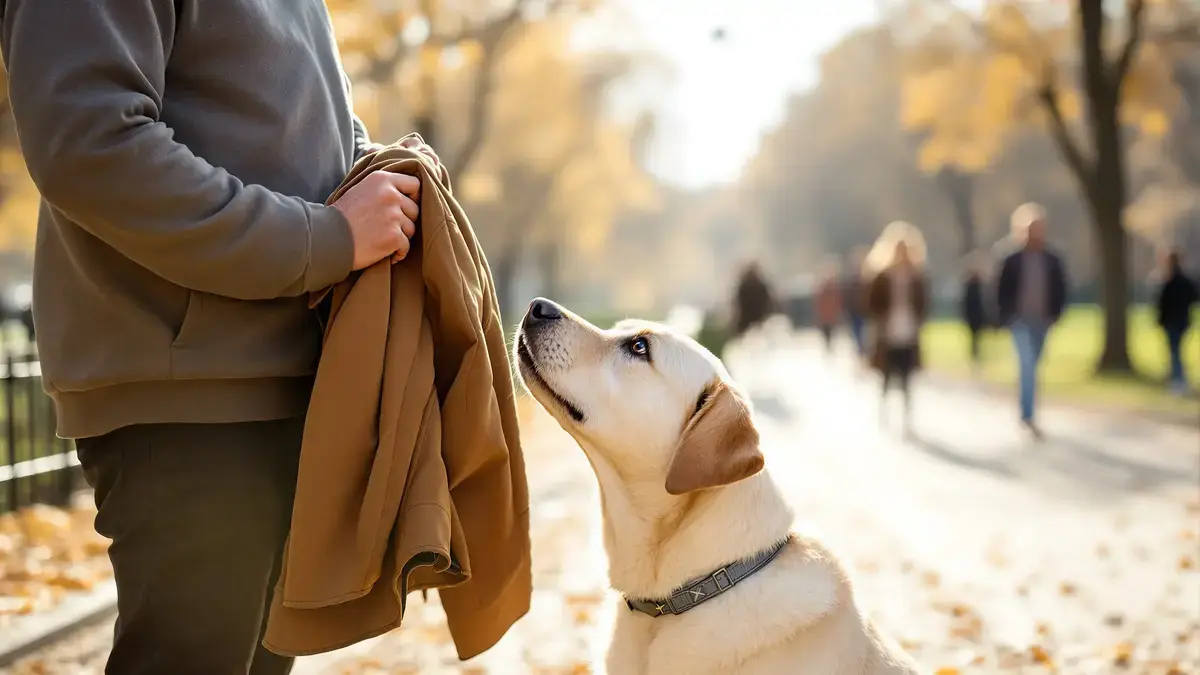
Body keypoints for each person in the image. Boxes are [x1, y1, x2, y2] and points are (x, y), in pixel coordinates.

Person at [1, 2, 439, 673]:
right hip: (185, 390)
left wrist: (375, 172)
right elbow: (88, 142)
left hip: (286, 376)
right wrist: (325, 238)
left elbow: (298, 119)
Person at [995, 202, 1068, 439]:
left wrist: (1056, 314)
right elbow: (1001, 290)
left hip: (1043, 321)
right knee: (1026, 364)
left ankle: (1027, 405)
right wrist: (1005, 316)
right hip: (1019, 320)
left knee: (1033, 367)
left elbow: (1061, 288)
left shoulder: (1052, 259)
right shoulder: (1012, 258)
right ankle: (1027, 414)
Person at [865, 221, 929, 436]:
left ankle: (907, 417)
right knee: (886, 374)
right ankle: (884, 410)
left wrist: (918, 320)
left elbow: (923, 303)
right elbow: (872, 304)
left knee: (907, 376)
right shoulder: (882, 277)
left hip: (909, 331)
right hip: (888, 333)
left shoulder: (916, 277)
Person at [1155, 248, 1198, 395]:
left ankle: (1178, 380)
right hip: (1182, 320)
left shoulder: (1170, 281)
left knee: (1175, 351)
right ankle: (1179, 378)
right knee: (1177, 351)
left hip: (1173, 321)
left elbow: (1163, 303)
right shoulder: (1185, 281)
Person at [731, 261, 779, 339]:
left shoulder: (744, 287)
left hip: (747, 321)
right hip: (757, 319)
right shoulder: (759, 286)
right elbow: (769, 303)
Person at [961, 252, 989, 371]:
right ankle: (974, 355)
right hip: (972, 316)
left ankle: (978, 354)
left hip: (979, 315)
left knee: (978, 337)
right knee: (974, 338)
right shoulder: (970, 286)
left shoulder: (981, 285)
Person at [843, 246, 870, 358]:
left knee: (866, 334)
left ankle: (864, 351)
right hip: (855, 313)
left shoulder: (868, 279)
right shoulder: (851, 281)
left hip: (866, 313)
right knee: (858, 334)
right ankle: (860, 351)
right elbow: (847, 297)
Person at [813, 261, 844, 355]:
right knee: (827, 332)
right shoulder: (826, 289)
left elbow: (837, 301)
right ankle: (828, 345)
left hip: (829, 315)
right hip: (827, 315)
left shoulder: (831, 288)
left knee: (829, 332)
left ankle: (829, 345)